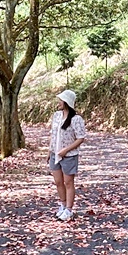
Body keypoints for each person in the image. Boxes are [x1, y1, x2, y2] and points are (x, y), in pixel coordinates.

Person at [48, 89, 86, 221]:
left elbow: (80, 138)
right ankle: (63, 205)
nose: (58, 102)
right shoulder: (57, 115)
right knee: (58, 182)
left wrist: (66, 150)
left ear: (66, 102)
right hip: (55, 153)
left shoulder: (76, 119)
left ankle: (69, 209)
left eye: (61, 100)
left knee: (68, 182)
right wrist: (49, 151)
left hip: (69, 155)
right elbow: (53, 135)